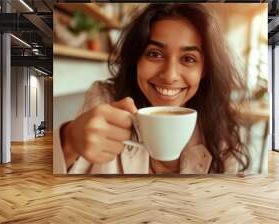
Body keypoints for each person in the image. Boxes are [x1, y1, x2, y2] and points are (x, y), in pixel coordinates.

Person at [53, 3, 250, 174]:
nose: (170, 75)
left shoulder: (220, 125)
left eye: (188, 59)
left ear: (204, 70)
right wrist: (69, 140)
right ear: (136, 58)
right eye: (155, 54)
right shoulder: (105, 99)